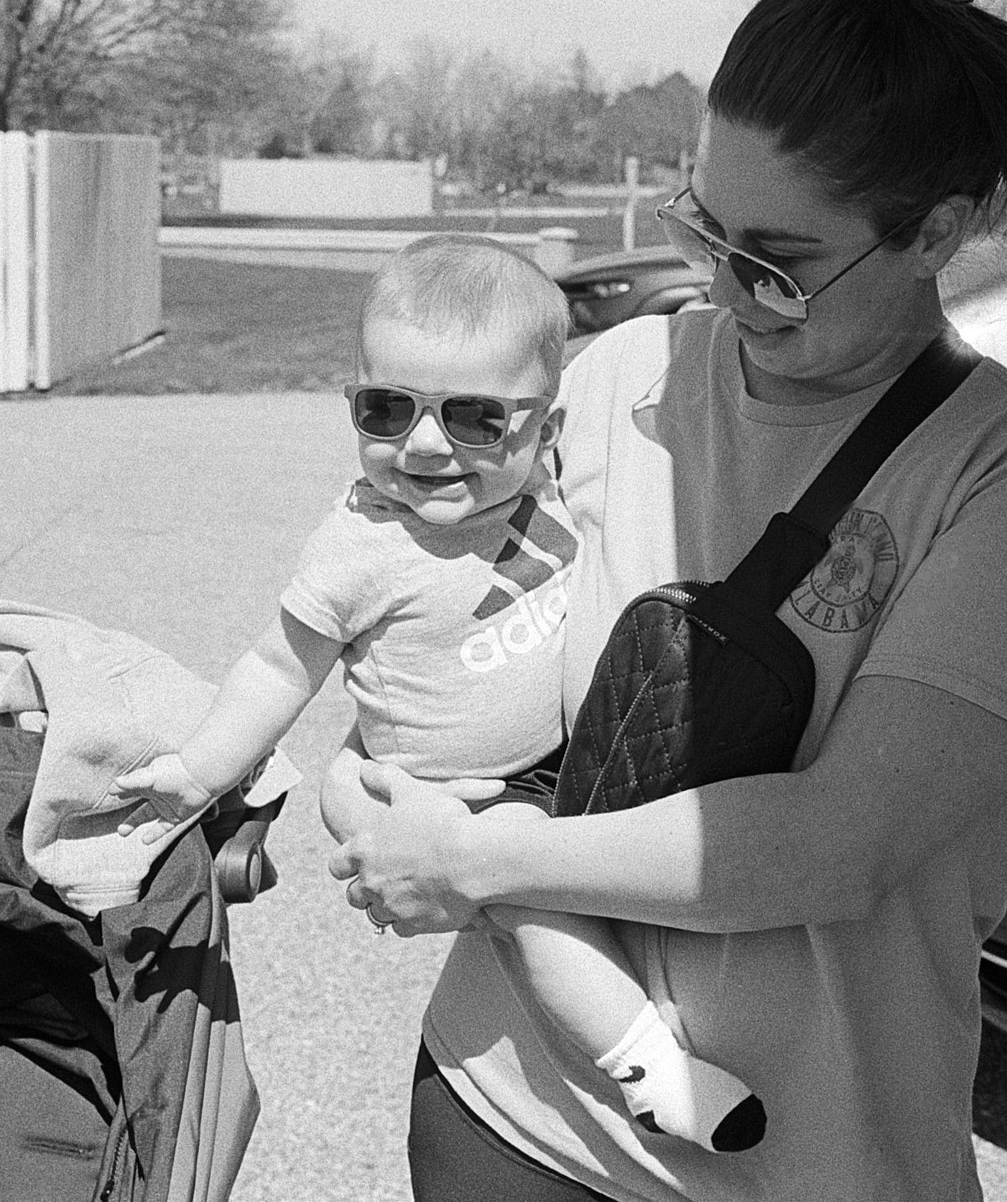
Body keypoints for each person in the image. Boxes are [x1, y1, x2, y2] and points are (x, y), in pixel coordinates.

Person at [326, 0, 1007, 1202]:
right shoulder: (619, 376)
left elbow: (840, 841)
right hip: (509, 1111)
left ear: (943, 229)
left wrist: (473, 860)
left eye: (777, 262)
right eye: (706, 223)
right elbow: (427, 634)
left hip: (809, 1164)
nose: (723, 290)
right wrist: (365, 787)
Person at [115, 234, 767, 1155]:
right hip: (454, 792)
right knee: (536, 909)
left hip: (566, 755)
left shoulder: (548, 483)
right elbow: (277, 666)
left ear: (544, 427)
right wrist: (201, 770)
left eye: (474, 419)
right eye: (386, 409)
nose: (423, 445)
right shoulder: (359, 547)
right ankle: (651, 1072)